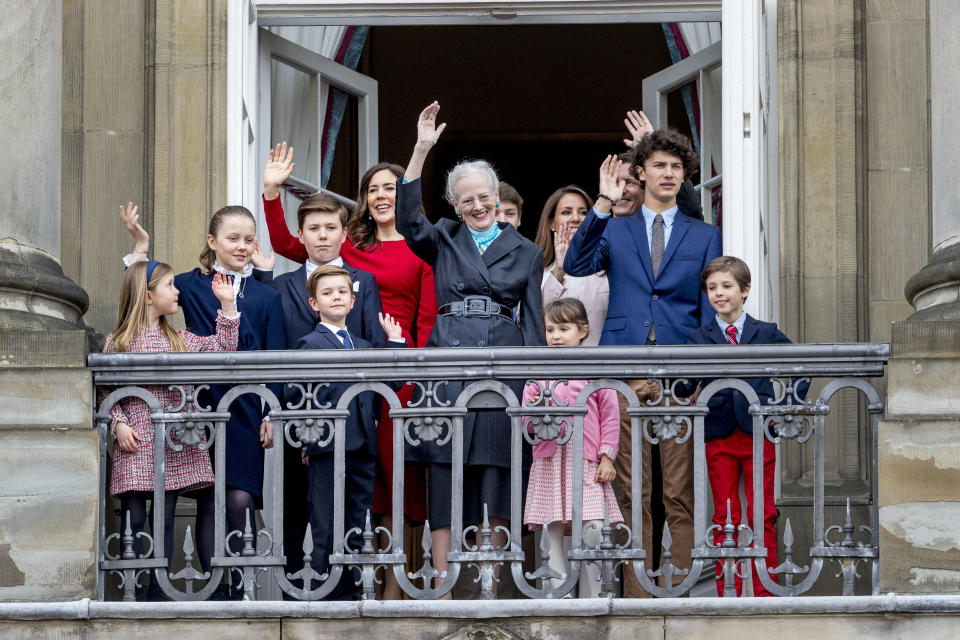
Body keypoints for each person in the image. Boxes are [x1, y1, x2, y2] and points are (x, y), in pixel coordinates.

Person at [261, 149, 437, 598]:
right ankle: (295, 596)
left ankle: (339, 593)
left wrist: (377, 403)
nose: (322, 236)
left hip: (353, 421)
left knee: (346, 511)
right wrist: (271, 193)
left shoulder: (362, 283)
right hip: (295, 419)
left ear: (344, 233)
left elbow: (374, 350)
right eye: (314, 230)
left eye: (330, 228)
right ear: (303, 236)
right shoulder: (280, 288)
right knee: (297, 510)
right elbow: (274, 354)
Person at [563, 129, 722, 596]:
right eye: (659, 166)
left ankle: (684, 587)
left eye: (676, 167)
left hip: (679, 376)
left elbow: (707, 310)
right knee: (631, 491)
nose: (668, 174)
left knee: (678, 491)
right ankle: (636, 593)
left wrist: (697, 374)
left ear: (683, 175)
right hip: (625, 371)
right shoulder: (615, 226)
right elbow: (576, 264)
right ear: (641, 172)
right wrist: (601, 205)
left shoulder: (704, 234)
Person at [396, 101, 545, 596]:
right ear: (455, 205)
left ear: (497, 197)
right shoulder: (443, 238)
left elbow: (536, 325)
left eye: (485, 197)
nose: (478, 206)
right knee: (444, 473)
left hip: (504, 367)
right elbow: (406, 219)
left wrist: (534, 386)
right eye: (467, 201)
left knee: (497, 473)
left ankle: (493, 584)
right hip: (448, 364)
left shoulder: (526, 250)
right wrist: (420, 150)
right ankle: (443, 583)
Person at [121, 202, 285, 599]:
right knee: (202, 495)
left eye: (248, 239)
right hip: (193, 409)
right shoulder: (188, 285)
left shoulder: (266, 295)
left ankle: (233, 587)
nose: (242, 246)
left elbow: (276, 357)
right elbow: (141, 288)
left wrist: (272, 410)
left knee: (238, 496)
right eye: (232, 239)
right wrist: (139, 249)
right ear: (212, 242)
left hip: (245, 409)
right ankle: (199, 589)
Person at [101, 260, 238, 600]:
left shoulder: (180, 339)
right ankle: (135, 589)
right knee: (133, 518)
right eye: (170, 285)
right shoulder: (118, 342)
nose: (178, 291)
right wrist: (118, 422)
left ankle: (158, 589)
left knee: (163, 519)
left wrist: (228, 305)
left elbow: (223, 349)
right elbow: (105, 388)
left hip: (175, 442)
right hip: (135, 439)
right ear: (147, 296)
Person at [682, 256, 803, 597]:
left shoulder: (765, 332)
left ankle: (765, 589)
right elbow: (685, 380)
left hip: (757, 431)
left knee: (761, 510)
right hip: (718, 433)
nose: (719, 294)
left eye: (726, 286)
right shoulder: (698, 337)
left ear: (745, 290)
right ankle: (727, 591)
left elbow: (801, 364)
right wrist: (679, 384)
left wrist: (782, 409)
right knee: (725, 513)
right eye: (711, 288)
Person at [295, 265, 408, 600]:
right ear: (314, 303)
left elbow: (393, 384)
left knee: (357, 521)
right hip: (327, 444)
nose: (336, 297)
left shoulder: (364, 345)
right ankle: (321, 592)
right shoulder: (308, 344)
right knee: (325, 521)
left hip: (361, 445)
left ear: (354, 299)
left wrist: (396, 342)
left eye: (342, 292)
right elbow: (300, 394)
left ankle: (352, 588)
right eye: (327, 293)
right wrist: (307, 437)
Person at [522, 298, 622, 598]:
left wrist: (607, 456)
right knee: (551, 529)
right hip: (550, 460)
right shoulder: (539, 372)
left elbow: (610, 414)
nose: (555, 336)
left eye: (563, 329)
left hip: (586, 460)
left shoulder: (594, 367)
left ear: (583, 330)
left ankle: (593, 594)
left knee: (592, 528)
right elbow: (527, 415)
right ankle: (560, 594)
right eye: (550, 329)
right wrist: (536, 416)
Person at [534, 185, 607, 346]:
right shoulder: (537, 272)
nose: (576, 218)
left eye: (583, 213)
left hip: (600, 368)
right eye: (566, 212)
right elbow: (528, 321)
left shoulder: (608, 270)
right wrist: (559, 271)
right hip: (553, 368)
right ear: (552, 223)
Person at [618, 110, 703, 222]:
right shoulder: (598, 233)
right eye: (614, 183)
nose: (620, 190)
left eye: (629, 182)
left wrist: (650, 148)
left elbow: (691, 212)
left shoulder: (669, 228)